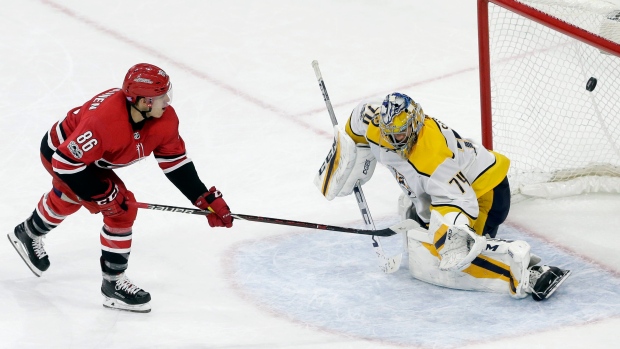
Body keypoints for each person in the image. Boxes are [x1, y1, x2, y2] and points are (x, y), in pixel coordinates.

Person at [8, 63, 233, 313]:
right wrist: (104, 196)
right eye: (160, 97)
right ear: (143, 102)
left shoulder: (164, 118)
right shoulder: (104, 121)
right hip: (62, 156)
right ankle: (113, 285)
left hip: (87, 159)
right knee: (120, 210)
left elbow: (175, 161)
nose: (167, 100)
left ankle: (28, 232)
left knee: (71, 199)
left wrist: (202, 197)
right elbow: (65, 163)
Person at [314, 92, 570, 301]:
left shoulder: (431, 156)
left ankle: (527, 272)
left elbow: (461, 200)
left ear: (414, 125)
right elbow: (355, 128)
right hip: (445, 191)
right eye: (387, 132)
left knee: (448, 252)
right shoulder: (374, 119)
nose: (392, 139)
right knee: (423, 226)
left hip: (485, 194)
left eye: (400, 133)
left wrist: (450, 238)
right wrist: (347, 163)